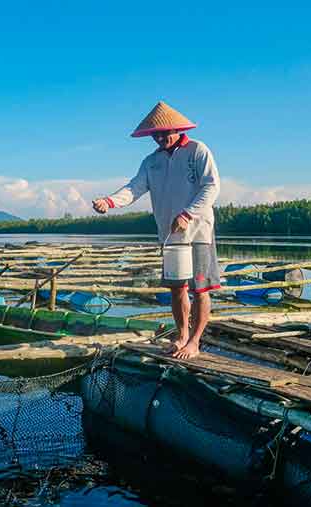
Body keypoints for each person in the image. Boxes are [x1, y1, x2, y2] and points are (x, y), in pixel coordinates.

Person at [92, 101, 221, 359]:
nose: (160, 138)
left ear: (177, 129)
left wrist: (188, 214)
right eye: (156, 135)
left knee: (200, 288)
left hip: (198, 232)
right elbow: (134, 188)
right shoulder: (151, 162)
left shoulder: (197, 151)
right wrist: (109, 201)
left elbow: (211, 186)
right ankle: (181, 335)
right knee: (177, 288)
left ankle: (195, 341)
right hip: (170, 235)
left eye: (164, 133)